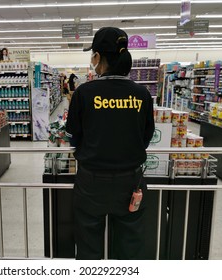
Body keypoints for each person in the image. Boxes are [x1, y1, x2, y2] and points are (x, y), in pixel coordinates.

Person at [65, 27, 155, 260]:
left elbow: (74, 135)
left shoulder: (84, 93)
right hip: (131, 181)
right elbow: (146, 136)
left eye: (92, 54)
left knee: (88, 246)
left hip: (91, 182)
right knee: (129, 247)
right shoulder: (142, 94)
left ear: (97, 57)